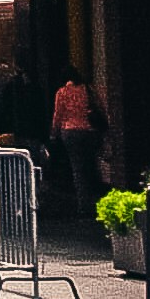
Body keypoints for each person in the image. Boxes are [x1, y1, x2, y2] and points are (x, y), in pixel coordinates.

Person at [47, 69, 103, 234]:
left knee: (78, 168)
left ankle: (83, 205)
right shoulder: (87, 89)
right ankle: (96, 200)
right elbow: (98, 106)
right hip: (90, 131)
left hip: (70, 132)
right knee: (90, 166)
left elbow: (58, 114)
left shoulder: (62, 92)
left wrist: (53, 134)